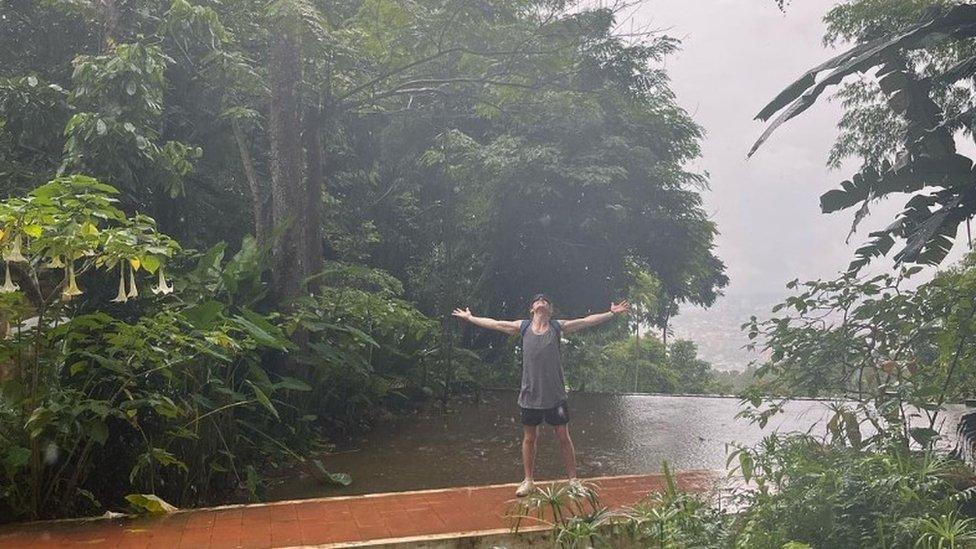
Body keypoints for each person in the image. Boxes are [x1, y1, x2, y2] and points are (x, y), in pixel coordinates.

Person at [452, 293, 630, 496]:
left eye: (545, 301)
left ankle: (573, 481)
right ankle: (528, 481)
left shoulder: (556, 327)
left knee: (564, 437)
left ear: (550, 310)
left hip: (555, 395)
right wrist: (470, 318)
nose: (541, 302)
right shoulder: (523, 327)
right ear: (532, 309)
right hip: (530, 394)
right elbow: (495, 324)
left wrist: (611, 314)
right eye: (538, 300)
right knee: (529, 438)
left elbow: (585, 322)